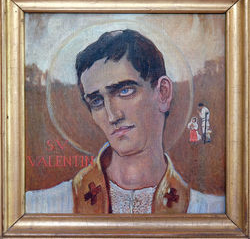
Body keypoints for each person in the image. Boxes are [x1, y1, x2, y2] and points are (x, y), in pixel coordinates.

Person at [26, 29, 224, 214]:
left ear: (163, 93)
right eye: (97, 101)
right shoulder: (43, 205)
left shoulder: (209, 209)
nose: (112, 116)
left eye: (125, 91)